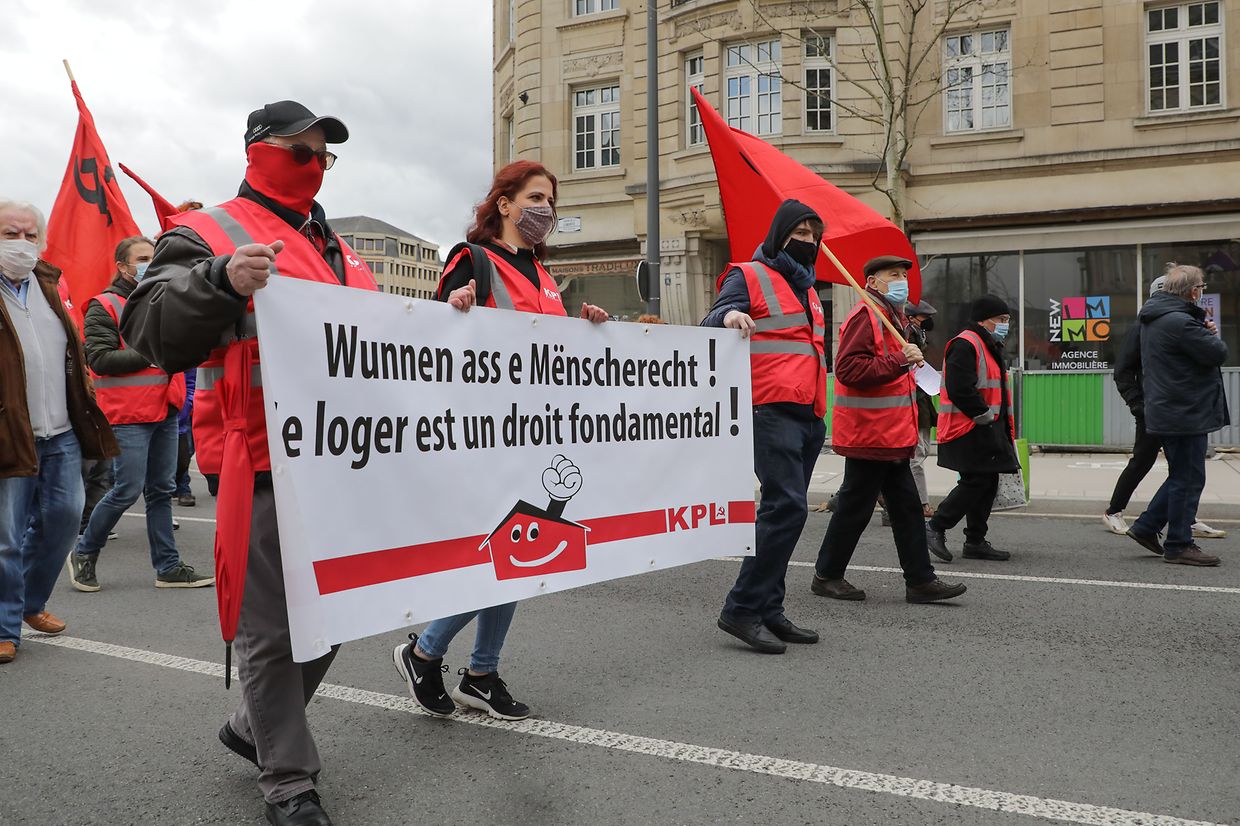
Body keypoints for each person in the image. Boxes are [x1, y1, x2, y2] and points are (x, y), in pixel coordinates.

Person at [122, 100, 373, 826]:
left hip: (344, 463)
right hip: (260, 458)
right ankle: (290, 785)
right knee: (272, 629)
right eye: (303, 151)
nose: (316, 166)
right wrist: (221, 281)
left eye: (326, 155)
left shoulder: (338, 247)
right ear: (259, 150)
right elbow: (149, 329)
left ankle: (248, 727)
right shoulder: (207, 233)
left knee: (335, 612)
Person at [391, 160, 609, 715]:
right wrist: (453, 308)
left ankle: (477, 671)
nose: (545, 210)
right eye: (534, 197)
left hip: (533, 436)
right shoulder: (473, 259)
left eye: (551, 201)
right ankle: (431, 653)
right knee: (511, 555)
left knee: (522, 552)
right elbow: (430, 337)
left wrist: (585, 326)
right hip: (481, 435)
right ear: (504, 204)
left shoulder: (544, 274)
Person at [700, 199, 828, 654]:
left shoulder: (809, 288)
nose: (809, 242)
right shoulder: (748, 274)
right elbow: (710, 320)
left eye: (815, 235)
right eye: (801, 233)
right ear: (780, 235)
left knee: (787, 513)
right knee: (787, 508)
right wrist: (729, 316)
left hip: (809, 413)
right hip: (767, 408)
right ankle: (741, 608)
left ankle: (769, 608)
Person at [0, 199, 117, 665]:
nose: (22, 244)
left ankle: (28, 602)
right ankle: (7, 624)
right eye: (12, 233)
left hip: (61, 430)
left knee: (65, 519)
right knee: (6, 537)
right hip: (12, 431)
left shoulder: (51, 286)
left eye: (31, 235)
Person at [810, 256, 966, 604]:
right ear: (871, 281)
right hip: (870, 434)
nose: (902, 281)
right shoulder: (866, 316)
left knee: (906, 508)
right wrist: (900, 359)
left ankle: (920, 581)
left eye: (903, 275)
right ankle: (828, 575)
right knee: (856, 507)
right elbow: (848, 369)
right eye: (893, 275)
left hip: (889, 435)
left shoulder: (894, 318)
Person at [67, 236, 209, 592]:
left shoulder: (165, 298)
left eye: (153, 257)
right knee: (126, 489)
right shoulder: (104, 305)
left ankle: (168, 567)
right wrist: (153, 350)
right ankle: (84, 552)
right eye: (142, 258)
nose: (150, 263)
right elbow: (98, 358)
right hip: (129, 414)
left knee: (161, 491)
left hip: (165, 409)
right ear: (122, 266)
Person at [1104, 274, 1225, 539]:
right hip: (1152, 407)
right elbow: (1123, 370)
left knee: (1181, 468)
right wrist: (1138, 405)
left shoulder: (1182, 321)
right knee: (1144, 460)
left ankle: (1185, 518)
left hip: (1174, 407)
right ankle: (1114, 510)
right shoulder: (1147, 324)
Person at [925, 294, 1020, 563]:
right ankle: (936, 526)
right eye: (1001, 320)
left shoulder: (988, 344)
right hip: (969, 427)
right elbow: (959, 387)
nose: (1005, 325)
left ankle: (975, 540)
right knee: (976, 481)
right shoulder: (966, 343)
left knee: (987, 482)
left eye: (1007, 320)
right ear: (983, 320)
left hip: (986, 426)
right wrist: (983, 415)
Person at [175, 368, 197, 506]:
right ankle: (183, 489)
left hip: (185, 411)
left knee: (187, 453)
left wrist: (187, 406)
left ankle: (179, 486)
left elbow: (191, 382)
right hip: (166, 412)